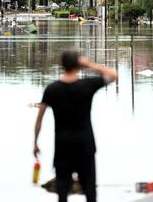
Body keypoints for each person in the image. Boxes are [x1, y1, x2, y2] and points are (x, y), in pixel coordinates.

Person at [33, 50, 118, 202]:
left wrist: (35, 143)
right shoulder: (87, 85)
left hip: (62, 145)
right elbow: (113, 74)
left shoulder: (52, 89)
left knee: (63, 191)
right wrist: (90, 64)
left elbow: (39, 121)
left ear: (62, 65)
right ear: (78, 65)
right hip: (85, 144)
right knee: (90, 191)